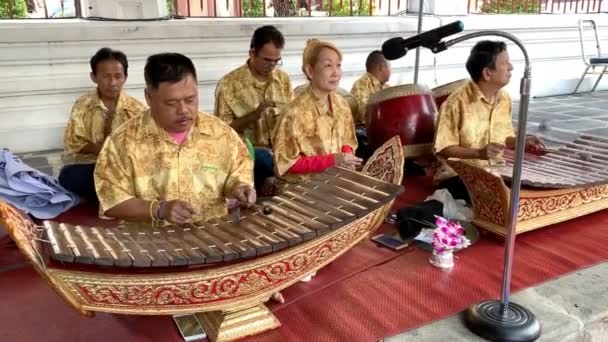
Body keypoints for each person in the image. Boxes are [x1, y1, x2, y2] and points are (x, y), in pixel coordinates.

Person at [94, 53, 255, 224]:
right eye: (171, 103)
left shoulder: (222, 134)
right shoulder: (122, 142)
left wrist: (240, 188)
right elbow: (111, 201)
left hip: (212, 238)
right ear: (149, 97)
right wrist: (159, 209)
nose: (183, 110)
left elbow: (239, 175)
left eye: (190, 99)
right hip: (150, 244)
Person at [433, 40, 544, 203]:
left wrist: (522, 141)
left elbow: (504, 138)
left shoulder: (504, 98)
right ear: (487, 73)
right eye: (505, 63)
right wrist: (478, 153)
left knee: (531, 192)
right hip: (459, 176)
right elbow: (443, 148)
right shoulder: (456, 103)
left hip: (495, 172)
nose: (511, 67)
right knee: (498, 199)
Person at [273, 38, 362, 189]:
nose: (336, 72)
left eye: (338, 65)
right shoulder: (293, 113)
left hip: (335, 181)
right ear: (310, 70)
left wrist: (346, 157)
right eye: (328, 65)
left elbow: (347, 141)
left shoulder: (342, 104)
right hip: (302, 188)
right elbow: (287, 162)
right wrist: (333, 160)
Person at [214, 25, 293, 193]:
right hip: (249, 156)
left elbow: (291, 119)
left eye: (276, 61)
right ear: (252, 53)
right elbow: (222, 133)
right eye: (266, 60)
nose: (272, 65)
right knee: (264, 158)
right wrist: (252, 117)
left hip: (281, 153)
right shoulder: (229, 85)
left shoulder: (283, 79)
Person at [59, 47, 146, 200]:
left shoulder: (137, 109)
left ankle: (112, 196)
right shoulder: (83, 104)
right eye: (106, 76)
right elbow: (73, 142)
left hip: (123, 168)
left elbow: (145, 147)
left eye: (118, 76)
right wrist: (105, 150)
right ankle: (118, 196)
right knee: (69, 176)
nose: (112, 83)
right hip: (91, 166)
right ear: (94, 77)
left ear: (125, 77)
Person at [350, 50, 391, 125]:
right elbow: (364, 115)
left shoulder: (386, 87)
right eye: (389, 66)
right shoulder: (361, 85)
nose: (391, 70)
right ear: (381, 67)